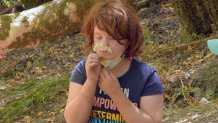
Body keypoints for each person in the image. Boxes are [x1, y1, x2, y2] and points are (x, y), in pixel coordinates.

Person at [64, 0, 164, 123]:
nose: (104, 44)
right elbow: (73, 120)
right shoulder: (83, 69)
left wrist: (116, 94)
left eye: (112, 38)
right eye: (98, 37)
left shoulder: (146, 78)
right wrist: (90, 81)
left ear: (128, 39)